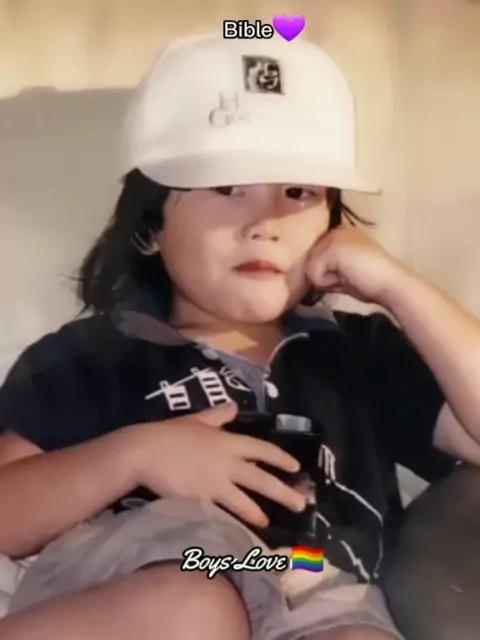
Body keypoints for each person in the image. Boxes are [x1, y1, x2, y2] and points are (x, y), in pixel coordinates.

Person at [0, 31, 480, 640]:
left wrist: (397, 285)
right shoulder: (93, 355)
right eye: (227, 187)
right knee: (194, 609)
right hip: (147, 580)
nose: (265, 223)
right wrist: (136, 455)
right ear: (150, 225)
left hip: (315, 589)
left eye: (299, 191)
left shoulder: (361, 353)